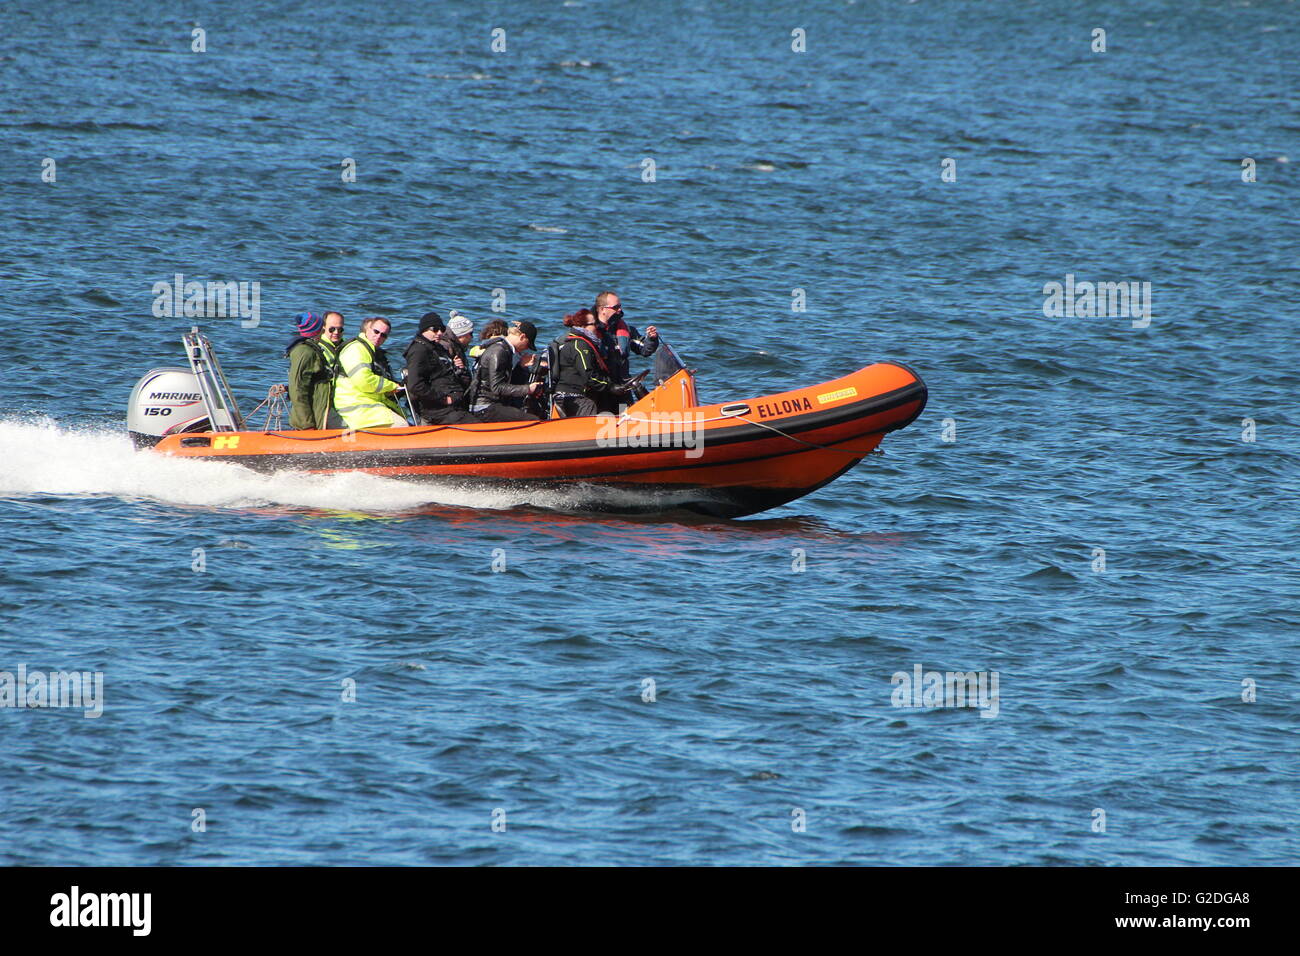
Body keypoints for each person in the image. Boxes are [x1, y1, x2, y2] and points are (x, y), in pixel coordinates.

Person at [403, 312, 482, 425]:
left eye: (442, 329)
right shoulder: (419, 350)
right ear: (424, 330)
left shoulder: (438, 348)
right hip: (438, 410)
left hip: (455, 404)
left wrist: (458, 368)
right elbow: (415, 385)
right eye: (434, 329)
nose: (439, 333)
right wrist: (443, 399)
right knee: (476, 426)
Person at [334, 317, 408, 428]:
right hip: (355, 406)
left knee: (404, 421)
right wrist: (391, 386)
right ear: (368, 329)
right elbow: (364, 381)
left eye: (383, 335)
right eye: (376, 331)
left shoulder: (369, 350)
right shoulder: (356, 349)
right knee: (401, 425)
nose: (378, 336)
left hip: (366, 403)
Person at [593, 291, 659, 410]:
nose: (620, 310)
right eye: (616, 307)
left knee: (625, 417)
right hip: (602, 390)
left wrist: (652, 339)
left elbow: (644, 350)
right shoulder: (591, 331)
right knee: (605, 419)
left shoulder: (625, 330)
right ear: (603, 309)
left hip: (623, 388)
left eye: (620, 306)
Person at [468, 321, 542, 422]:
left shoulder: (505, 349)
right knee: (532, 420)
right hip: (484, 406)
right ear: (522, 337)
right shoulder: (499, 351)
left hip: (492, 403)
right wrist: (528, 389)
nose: (526, 349)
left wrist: (520, 366)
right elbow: (497, 387)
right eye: (527, 345)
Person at [551, 309, 616, 418]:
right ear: (583, 326)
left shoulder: (582, 343)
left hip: (575, 394)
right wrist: (611, 386)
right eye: (594, 324)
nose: (597, 327)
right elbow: (589, 376)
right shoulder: (580, 345)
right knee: (590, 405)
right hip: (572, 396)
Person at [286, 311, 338, 430]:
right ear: (319, 330)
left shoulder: (312, 349)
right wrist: (307, 424)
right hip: (312, 419)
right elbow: (297, 388)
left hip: (322, 411)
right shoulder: (304, 352)